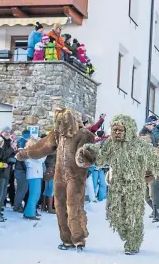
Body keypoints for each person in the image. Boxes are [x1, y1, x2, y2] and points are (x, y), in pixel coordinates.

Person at [16, 108, 97, 252]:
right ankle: (66, 239)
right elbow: (42, 147)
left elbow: (89, 152)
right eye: (58, 123)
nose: (61, 127)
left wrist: (82, 156)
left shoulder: (84, 134)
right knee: (60, 207)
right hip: (59, 176)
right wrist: (25, 153)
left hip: (75, 176)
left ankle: (78, 238)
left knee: (74, 207)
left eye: (63, 123)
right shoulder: (58, 134)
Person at [97, 115, 159, 255]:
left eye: (120, 130)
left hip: (135, 186)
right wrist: (89, 152)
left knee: (133, 215)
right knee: (114, 215)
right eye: (114, 130)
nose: (117, 133)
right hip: (116, 185)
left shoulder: (140, 145)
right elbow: (100, 159)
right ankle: (126, 234)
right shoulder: (110, 143)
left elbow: (154, 160)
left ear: (128, 130)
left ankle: (133, 243)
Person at [23, 137, 46, 220]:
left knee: (36, 194)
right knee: (34, 195)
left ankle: (29, 211)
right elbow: (40, 160)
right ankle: (29, 213)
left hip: (36, 174)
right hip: (33, 175)